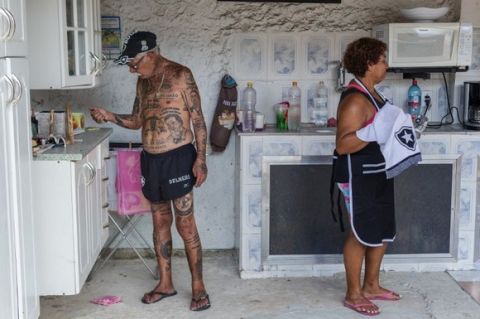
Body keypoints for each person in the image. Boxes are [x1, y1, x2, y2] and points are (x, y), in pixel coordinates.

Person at [90, 31, 210, 311]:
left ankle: (198, 287)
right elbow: (136, 121)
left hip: (179, 158)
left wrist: (201, 160)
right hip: (152, 161)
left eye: (134, 64)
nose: (132, 70)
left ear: (151, 55)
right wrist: (110, 116)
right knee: (159, 224)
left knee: (186, 223)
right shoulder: (142, 84)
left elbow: (199, 122)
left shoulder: (182, 75)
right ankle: (165, 283)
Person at [332, 37, 401, 316]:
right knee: (361, 232)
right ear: (370, 64)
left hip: (379, 171)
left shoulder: (375, 93)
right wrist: (373, 132)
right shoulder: (355, 100)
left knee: (382, 230)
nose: (386, 65)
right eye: (383, 60)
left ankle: (371, 285)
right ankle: (353, 293)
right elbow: (343, 144)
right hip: (358, 174)